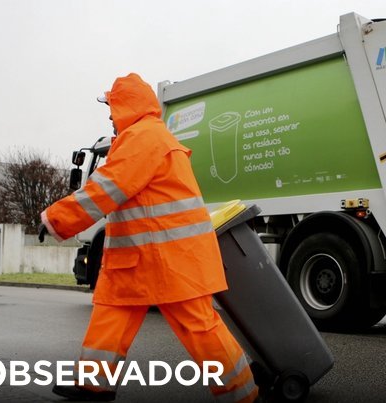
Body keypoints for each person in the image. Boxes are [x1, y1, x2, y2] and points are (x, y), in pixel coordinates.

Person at [39, 73, 258, 402]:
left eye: (111, 108)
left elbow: (106, 189)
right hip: (150, 259)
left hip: (170, 259)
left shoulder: (143, 138)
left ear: (126, 105)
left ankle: (243, 393)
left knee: (199, 328)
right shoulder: (148, 137)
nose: (110, 116)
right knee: (112, 310)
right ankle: (92, 382)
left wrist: (57, 218)